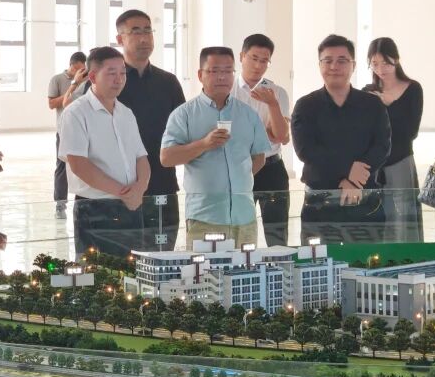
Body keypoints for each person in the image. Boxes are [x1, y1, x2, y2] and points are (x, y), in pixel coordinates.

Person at [162, 47, 272, 247]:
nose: (222, 77)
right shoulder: (184, 114)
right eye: (214, 71)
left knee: (246, 267)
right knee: (203, 267)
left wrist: (236, 180)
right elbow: (167, 158)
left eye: (228, 71)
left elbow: (259, 157)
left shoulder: (248, 114)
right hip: (205, 217)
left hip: (244, 216)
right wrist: (204, 144)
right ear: (200, 75)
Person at [291, 35, 391, 243]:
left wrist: (354, 180)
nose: (334, 66)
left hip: (364, 199)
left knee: (367, 259)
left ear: (353, 65)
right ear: (319, 65)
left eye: (342, 60)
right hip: (320, 203)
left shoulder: (372, 104)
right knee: (317, 260)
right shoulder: (306, 105)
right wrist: (348, 171)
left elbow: (382, 146)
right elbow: (306, 150)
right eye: (328, 60)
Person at [59, 46, 149, 257]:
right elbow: (79, 165)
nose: (119, 79)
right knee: (97, 272)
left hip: (131, 205)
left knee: (132, 269)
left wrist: (139, 189)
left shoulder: (126, 113)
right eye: (111, 73)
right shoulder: (76, 113)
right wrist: (124, 193)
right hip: (94, 209)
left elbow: (141, 157)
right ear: (92, 76)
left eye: (122, 73)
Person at [111, 9, 186, 249]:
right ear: (120, 39)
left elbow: (183, 129)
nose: (144, 38)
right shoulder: (110, 83)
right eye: (135, 32)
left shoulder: (168, 82)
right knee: (120, 262)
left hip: (162, 185)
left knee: (162, 258)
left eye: (148, 31)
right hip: (120, 188)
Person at [365, 37, 425, 242]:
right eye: (374, 63)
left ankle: (406, 257)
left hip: (401, 160)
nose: (380, 69)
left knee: (402, 220)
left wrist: (389, 103)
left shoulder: (413, 88)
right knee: (376, 219)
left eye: (385, 63)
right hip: (374, 165)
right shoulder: (368, 92)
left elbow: (411, 131)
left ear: (396, 60)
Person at [235, 33, 292, 245]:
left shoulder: (277, 92)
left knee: (277, 233)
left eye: (264, 60)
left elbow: (281, 137)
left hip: (272, 168)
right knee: (240, 232)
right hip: (239, 167)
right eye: (253, 58)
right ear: (241, 56)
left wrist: (273, 105)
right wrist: (264, 132)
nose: (258, 65)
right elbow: (230, 134)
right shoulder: (229, 91)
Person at [46, 51, 87, 215]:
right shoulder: (57, 79)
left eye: (82, 68)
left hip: (82, 130)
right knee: (62, 167)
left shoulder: (87, 81)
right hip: (63, 131)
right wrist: (75, 85)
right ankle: (60, 205)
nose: (79, 71)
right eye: (77, 68)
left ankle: (84, 202)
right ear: (71, 65)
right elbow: (52, 104)